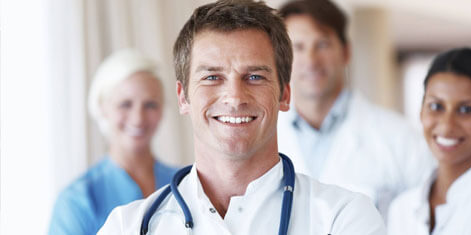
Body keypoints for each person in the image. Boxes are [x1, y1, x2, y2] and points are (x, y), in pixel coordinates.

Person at [98, 1, 386, 234]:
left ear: (285, 94)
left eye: (254, 76)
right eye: (212, 77)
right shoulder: (128, 226)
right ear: (183, 97)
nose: (235, 97)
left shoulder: (344, 218)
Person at [277, 0, 435, 216]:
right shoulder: (264, 136)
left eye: (322, 44)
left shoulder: (400, 138)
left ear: (346, 52)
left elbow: (434, 220)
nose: (311, 60)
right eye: (298, 47)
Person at [48, 49, 178, 235]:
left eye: (150, 105)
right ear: (102, 108)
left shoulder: (186, 184)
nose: (138, 118)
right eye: (125, 104)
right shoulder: (77, 201)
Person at [387, 47, 471, 235]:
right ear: (421, 110)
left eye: (466, 110)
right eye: (436, 106)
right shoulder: (401, 209)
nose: (447, 126)